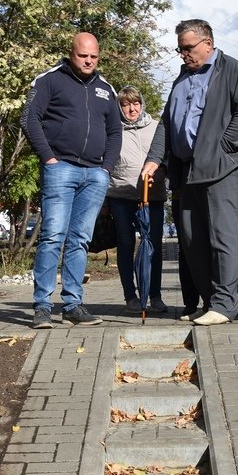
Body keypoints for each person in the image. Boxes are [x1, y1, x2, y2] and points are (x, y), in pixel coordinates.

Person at [142, 19, 238, 326]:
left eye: (187, 48)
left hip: (222, 170)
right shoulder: (181, 79)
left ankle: (224, 305)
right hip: (188, 173)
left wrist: (222, 145)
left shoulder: (231, 69)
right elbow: (167, 123)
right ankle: (210, 303)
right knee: (193, 243)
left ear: (208, 43)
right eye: (179, 48)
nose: (183, 54)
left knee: (223, 239)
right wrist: (155, 159)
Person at [22, 32, 121, 329]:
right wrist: (49, 158)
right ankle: (42, 306)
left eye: (94, 56)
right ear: (71, 53)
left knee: (80, 240)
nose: (89, 60)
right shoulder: (49, 80)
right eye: (83, 55)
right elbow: (29, 119)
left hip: (95, 174)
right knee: (53, 236)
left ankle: (73, 305)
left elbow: (115, 131)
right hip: (60, 168)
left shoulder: (106, 89)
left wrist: (106, 168)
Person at [106, 86, 167, 314]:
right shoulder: (112, 129)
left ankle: (155, 295)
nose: (131, 108)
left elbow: (166, 157)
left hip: (153, 198)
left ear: (142, 104)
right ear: (119, 107)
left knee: (153, 247)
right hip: (121, 195)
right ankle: (130, 296)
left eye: (135, 103)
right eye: (125, 104)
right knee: (125, 245)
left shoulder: (156, 127)